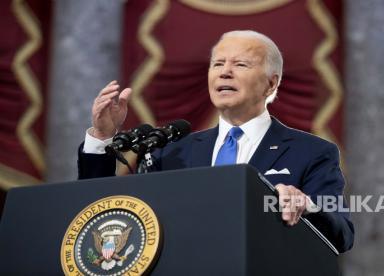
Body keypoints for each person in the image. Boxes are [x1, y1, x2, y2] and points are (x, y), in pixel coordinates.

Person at [78, 30, 354, 252]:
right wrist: (102, 138)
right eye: (218, 64)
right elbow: (102, 213)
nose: (224, 72)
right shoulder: (171, 153)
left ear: (271, 84)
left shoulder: (313, 152)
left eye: (240, 64)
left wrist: (307, 205)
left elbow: (342, 234)